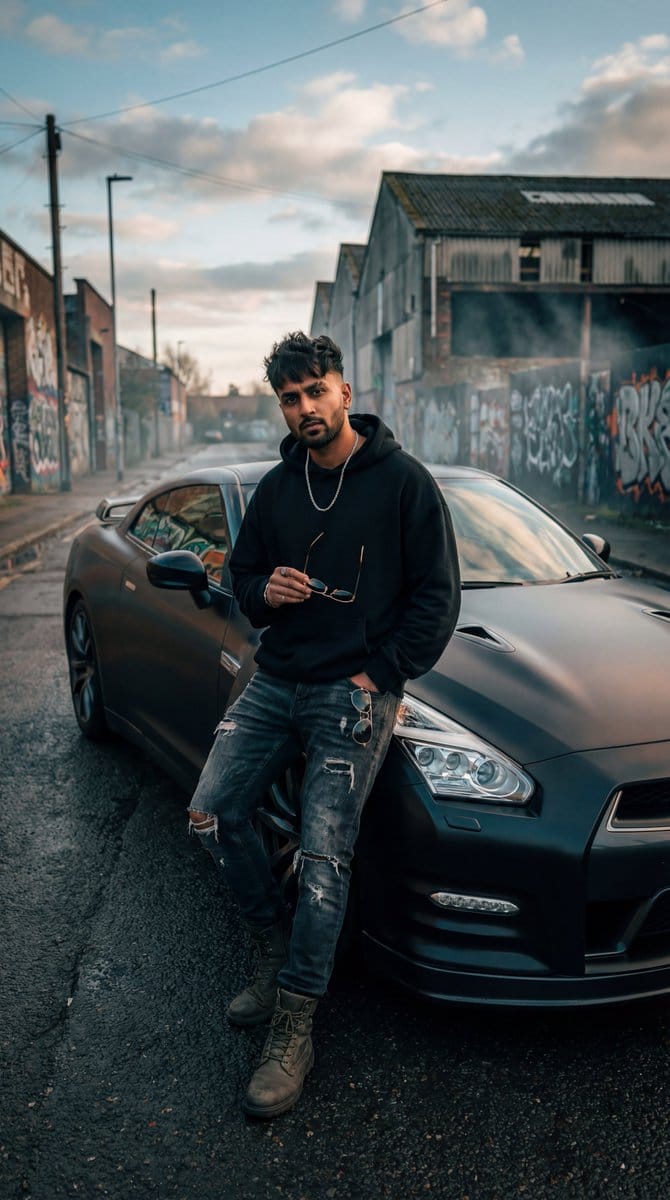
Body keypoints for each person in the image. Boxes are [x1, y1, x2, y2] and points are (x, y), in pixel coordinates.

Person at [188, 331, 461, 1119]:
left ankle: (295, 1023)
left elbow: (437, 599)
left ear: (345, 390)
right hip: (278, 679)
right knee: (214, 810)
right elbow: (240, 579)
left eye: (316, 392)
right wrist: (262, 588)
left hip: (353, 693)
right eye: (290, 398)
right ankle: (275, 950)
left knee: (323, 857)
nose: (305, 408)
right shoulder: (278, 489)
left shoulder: (404, 484)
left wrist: (379, 675)